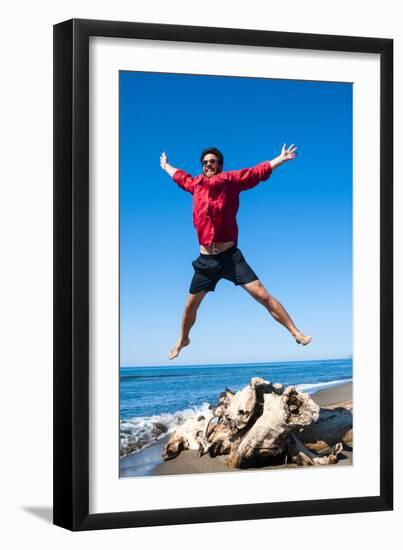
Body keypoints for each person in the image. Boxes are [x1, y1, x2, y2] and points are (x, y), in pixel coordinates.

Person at [160, 145, 312, 360]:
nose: (208, 165)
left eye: (212, 162)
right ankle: (183, 339)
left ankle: (296, 332)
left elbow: (256, 172)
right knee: (189, 307)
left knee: (263, 296)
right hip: (206, 261)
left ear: (219, 165)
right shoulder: (195, 184)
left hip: (230, 257)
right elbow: (179, 176)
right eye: (205, 163)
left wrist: (280, 159)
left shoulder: (231, 181)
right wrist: (166, 165)